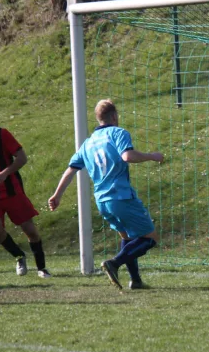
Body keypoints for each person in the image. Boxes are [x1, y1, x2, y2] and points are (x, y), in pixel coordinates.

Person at [48, 99, 163, 290]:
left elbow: (70, 170)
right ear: (114, 116)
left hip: (102, 201)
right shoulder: (118, 133)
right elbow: (127, 156)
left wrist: (57, 195)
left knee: (126, 237)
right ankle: (114, 263)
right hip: (121, 196)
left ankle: (135, 281)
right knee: (150, 238)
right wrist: (152, 156)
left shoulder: (87, 143)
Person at [0, 111, 51, 278]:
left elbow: (22, 158)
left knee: (30, 230)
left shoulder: (0, 134)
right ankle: (19, 257)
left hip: (12, 191)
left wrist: (5, 173)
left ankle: (41, 268)